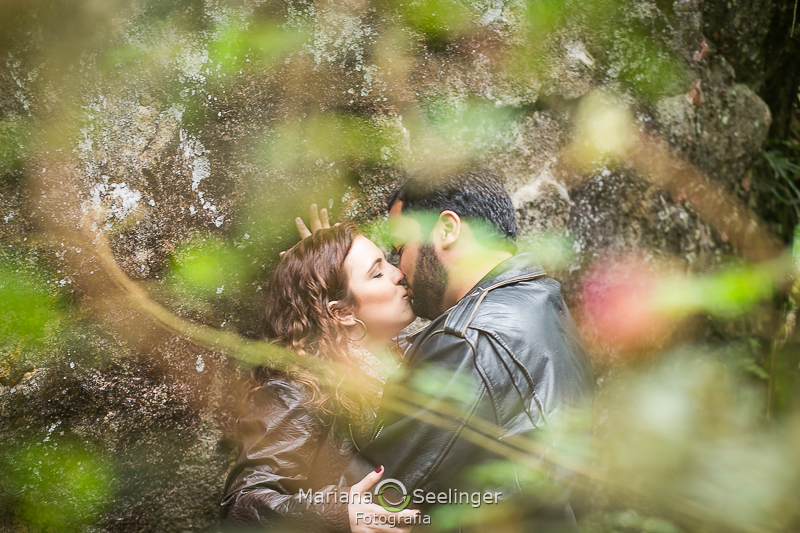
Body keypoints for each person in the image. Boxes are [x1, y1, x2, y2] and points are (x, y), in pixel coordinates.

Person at [337, 165, 595, 531]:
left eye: (401, 248)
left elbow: (377, 495)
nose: (400, 270)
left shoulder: (468, 340)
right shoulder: (544, 301)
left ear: (446, 230)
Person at [221, 222, 419, 532]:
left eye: (388, 262)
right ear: (342, 313)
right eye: (377, 273)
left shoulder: (418, 351)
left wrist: (325, 261)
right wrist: (336, 513)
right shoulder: (295, 390)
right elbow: (242, 506)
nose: (398, 274)